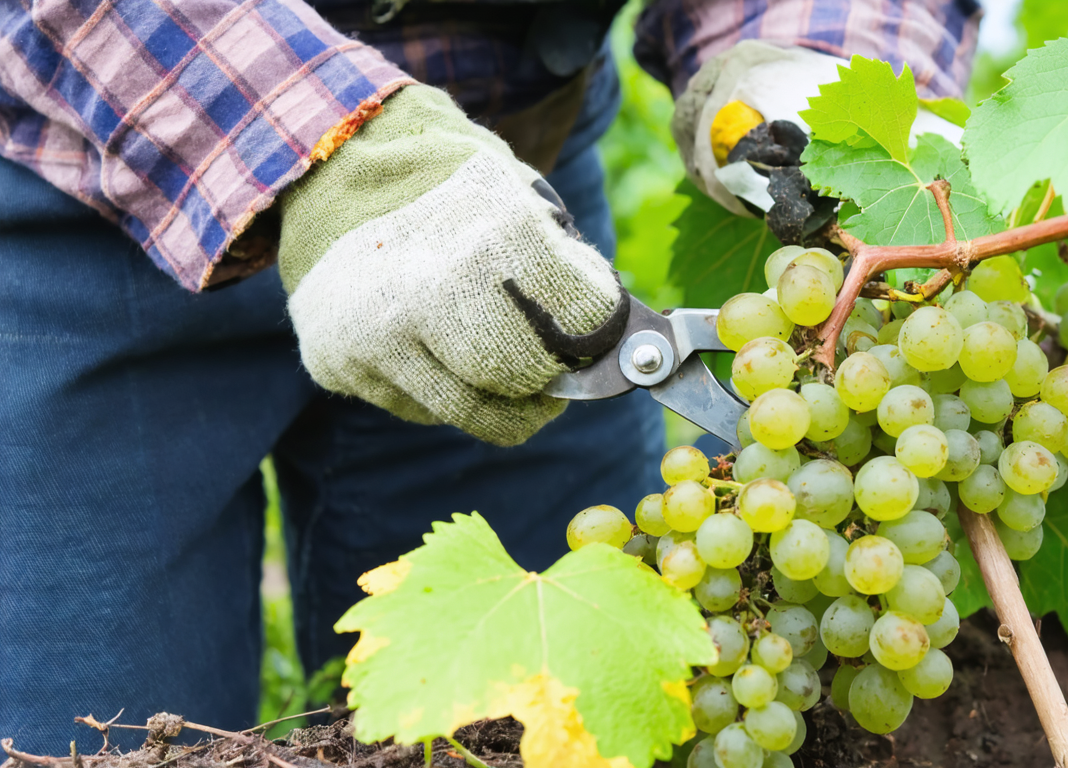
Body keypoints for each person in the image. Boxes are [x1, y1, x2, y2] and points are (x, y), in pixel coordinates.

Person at [0, 0, 980, 752]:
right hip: (74, 205)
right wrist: (338, 157)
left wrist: (808, 56)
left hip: (513, 238)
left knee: (560, 715)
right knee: (95, 739)